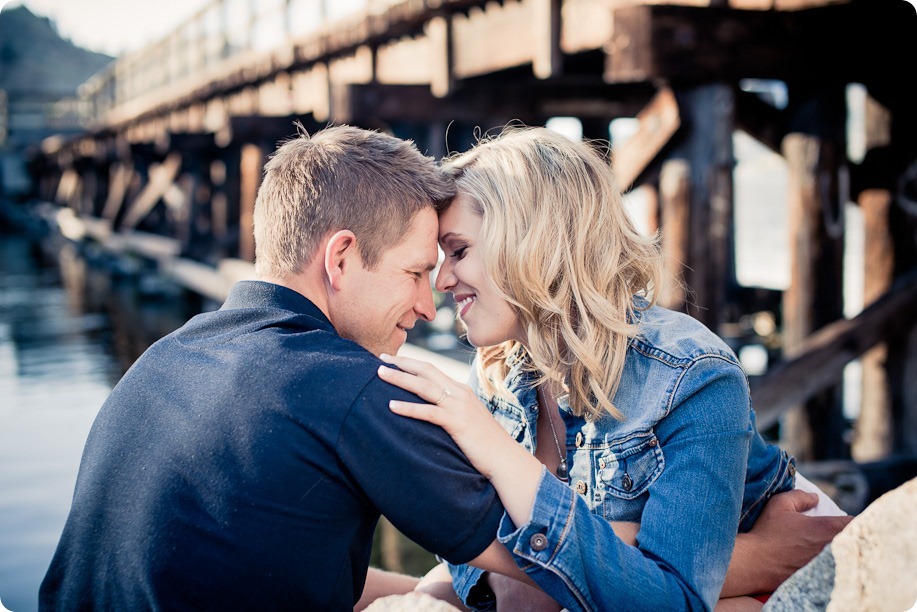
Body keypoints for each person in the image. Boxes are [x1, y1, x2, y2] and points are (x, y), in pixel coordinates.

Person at [38, 124, 532, 610]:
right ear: (340, 259)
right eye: (416, 272)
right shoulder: (351, 386)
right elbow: (553, 561)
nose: (428, 306)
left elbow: (263, 567)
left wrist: (416, 592)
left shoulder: (158, 361)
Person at [376, 126, 851, 611]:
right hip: (669, 585)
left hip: (766, 595)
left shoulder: (690, 375)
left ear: (530, 240)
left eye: (458, 251)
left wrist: (503, 467)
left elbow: (675, 596)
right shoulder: (496, 371)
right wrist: (625, 542)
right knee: (433, 593)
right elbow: (476, 561)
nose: (441, 279)